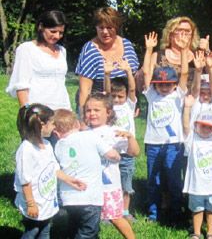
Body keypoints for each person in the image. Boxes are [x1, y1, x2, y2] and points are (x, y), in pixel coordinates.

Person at [14, 104, 86, 239]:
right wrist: (31, 204)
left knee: (45, 230)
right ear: (41, 125)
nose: (54, 128)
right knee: (32, 231)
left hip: (45, 200)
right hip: (34, 201)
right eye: (52, 124)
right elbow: (25, 180)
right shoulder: (26, 150)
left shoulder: (46, 145)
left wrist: (69, 180)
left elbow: (54, 168)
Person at [141, 29, 190, 222]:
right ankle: (153, 213)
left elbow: (185, 72)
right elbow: (146, 72)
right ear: (155, 85)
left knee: (173, 179)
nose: (164, 87)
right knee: (153, 180)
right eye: (160, 83)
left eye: (168, 83)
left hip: (173, 143)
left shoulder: (178, 95)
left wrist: (185, 50)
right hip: (153, 143)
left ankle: (177, 211)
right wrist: (149, 50)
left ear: (175, 85)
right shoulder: (152, 95)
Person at [53, 109, 120, 238]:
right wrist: (117, 157)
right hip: (90, 197)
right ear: (77, 124)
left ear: (56, 133)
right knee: (88, 231)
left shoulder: (58, 146)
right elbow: (111, 154)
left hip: (68, 199)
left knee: (75, 227)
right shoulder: (90, 136)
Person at [182, 71, 212, 239]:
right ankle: (196, 233)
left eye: (210, 126)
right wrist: (188, 108)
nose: (206, 129)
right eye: (202, 126)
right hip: (197, 184)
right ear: (196, 125)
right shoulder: (192, 137)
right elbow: (185, 126)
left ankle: (210, 233)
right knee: (196, 209)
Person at [83, 93, 139, 239]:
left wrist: (130, 137)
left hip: (109, 186)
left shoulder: (114, 132)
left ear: (108, 112)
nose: (92, 113)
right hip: (88, 186)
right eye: (88, 110)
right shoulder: (83, 133)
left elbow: (134, 152)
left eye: (96, 110)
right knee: (87, 219)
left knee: (116, 217)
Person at [75, 7, 139, 113]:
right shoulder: (90, 50)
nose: (105, 32)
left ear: (116, 27)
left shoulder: (127, 45)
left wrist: (136, 103)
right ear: (96, 28)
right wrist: (83, 118)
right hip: (98, 109)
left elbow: (133, 78)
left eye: (109, 28)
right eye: (101, 27)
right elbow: (84, 90)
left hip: (123, 107)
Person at [6, 10, 71, 110]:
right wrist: (27, 113)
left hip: (63, 109)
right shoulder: (27, 49)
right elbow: (21, 86)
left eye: (61, 33)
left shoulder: (62, 51)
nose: (57, 36)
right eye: (53, 31)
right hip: (38, 111)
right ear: (41, 27)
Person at [103, 57, 138, 222]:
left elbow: (132, 89)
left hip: (127, 152)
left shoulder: (129, 105)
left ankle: (125, 211)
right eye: (114, 96)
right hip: (111, 152)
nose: (117, 99)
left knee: (126, 184)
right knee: (108, 182)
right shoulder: (108, 107)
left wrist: (128, 72)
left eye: (120, 96)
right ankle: (107, 210)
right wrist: (107, 75)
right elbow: (107, 92)